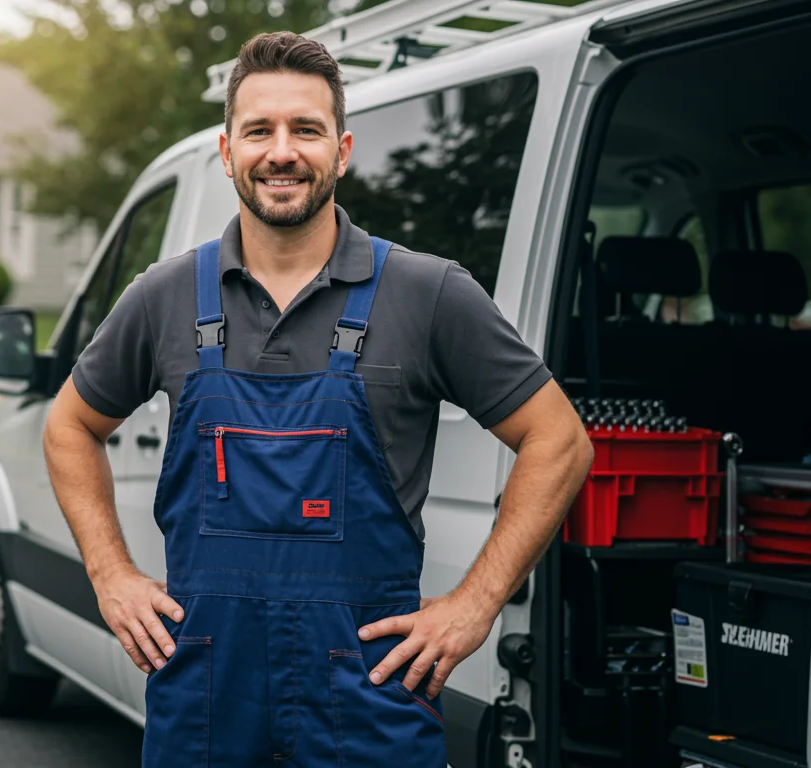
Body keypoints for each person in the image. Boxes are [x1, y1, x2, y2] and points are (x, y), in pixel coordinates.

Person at [42, 31, 594, 766]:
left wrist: (475, 606)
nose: (281, 151)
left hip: (369, 698)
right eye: (258, 130)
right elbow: (69, 424)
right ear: (227, 150)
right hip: (206, 698)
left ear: (341, 150)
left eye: (306, 129)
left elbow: (560, 440)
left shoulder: (428, 293)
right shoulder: (164, 297)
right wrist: (112, 576)